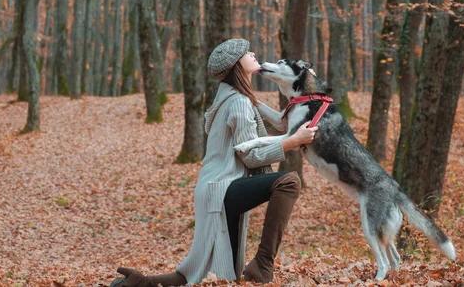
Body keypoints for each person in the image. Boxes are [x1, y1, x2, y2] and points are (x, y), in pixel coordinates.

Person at [111, 38, 318, 287]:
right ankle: (263, 264)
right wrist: (294, 141)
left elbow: (282, 123)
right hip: (222, 188)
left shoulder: (238, 98)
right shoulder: (239, 103)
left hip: (212, 189)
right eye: (245, 52)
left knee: (211, 274)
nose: (252, 53)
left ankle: (140, 282)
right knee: (289, 181)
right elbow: (251, 155)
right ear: (235, 65)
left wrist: (308, 91)